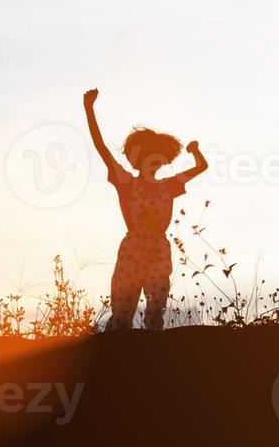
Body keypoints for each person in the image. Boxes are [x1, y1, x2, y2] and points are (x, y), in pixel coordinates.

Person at [84, 87, 208, 330]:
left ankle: (151, 355)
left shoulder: (170, 185)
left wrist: (195, 151)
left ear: (162, 159)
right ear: (136, 158)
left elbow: (201, 166)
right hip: (133, 248)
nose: (154, 161)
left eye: (158, 157)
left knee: (155, 309)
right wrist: (89, 109)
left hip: (158, 249)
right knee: (122, 311)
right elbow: (101, 147)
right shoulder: (125, 181)